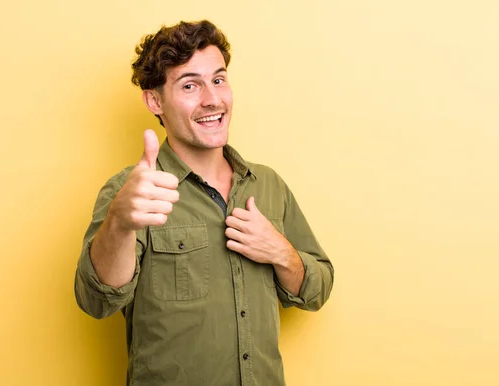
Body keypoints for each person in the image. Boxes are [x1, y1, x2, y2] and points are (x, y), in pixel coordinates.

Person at [74, 19, 334, 386]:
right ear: (154, 100)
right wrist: (119, 222)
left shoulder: (268, 184)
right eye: (190, 85)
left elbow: (318, 289)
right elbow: (95, 301)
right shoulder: (131, 193)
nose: (212, 98)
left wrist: (281, 253)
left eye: (218, 79)